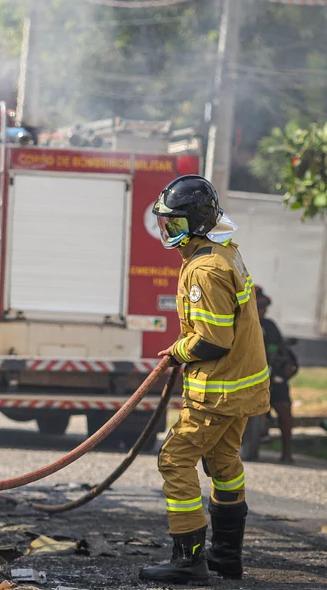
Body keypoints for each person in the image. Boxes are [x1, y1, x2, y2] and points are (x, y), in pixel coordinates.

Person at [138, 175, 270, 585]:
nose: (168, 232)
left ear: (196, 223)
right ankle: (226, 557)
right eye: (165, 224)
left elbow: (213, 339)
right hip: (242, 388)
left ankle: (188, 559)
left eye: (175, 225)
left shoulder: (204, 270)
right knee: (224, 464)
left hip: (216, 392)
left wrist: (177, 351)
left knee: (174, 460)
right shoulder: (225, 252)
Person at [255, 286, 298, 463]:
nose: (264, 311)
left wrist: (287, 363)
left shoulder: (270, 326)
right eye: (260, 307)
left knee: (284, 408)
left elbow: (282, 349)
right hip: (246, 380)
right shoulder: (240, 325)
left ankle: (287, 453)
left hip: (272, 376)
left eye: (265, 307)